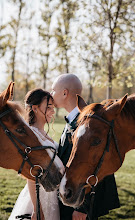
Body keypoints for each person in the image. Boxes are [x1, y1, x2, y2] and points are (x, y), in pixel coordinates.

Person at [51, 74, 120, 220]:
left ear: (65, 93)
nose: (51, 95)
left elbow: (97, 163)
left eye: (53, 90)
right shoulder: (72, 119)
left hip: (79, 203)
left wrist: (82, 207)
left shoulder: (87, 125)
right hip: (69, 195)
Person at [9, 88, 60, 220]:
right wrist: (37, 209)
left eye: (53, 107)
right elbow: (31, 174)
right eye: (48, 107)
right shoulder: (31, 135)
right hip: (38, 199)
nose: (53, 111)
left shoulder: (43, 133)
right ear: (35, 108)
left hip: (53, 196)